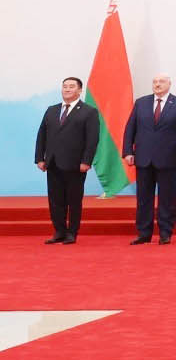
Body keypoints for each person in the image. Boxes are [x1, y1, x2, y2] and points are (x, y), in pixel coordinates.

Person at [123, 74, 176, 245]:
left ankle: (165, 232)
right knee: (143, 198)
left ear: (169, 84)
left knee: (167, 198)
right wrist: (127, 151)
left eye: (161, 82)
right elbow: (130, 128)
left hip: (168, 159)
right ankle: (144, 233)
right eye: (154, 82)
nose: (157, 84)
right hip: (143, 158)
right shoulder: (141, 103)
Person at [34, 77, 99, 244]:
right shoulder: (52, 110)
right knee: (55, 200)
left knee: (74, 200)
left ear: (79, 90)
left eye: (71, 86)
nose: (67, 89)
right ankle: (59, 231)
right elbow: (42, 135)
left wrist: (86, 161)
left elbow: (92, 139)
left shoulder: (89, 111)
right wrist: (40, 158)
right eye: (65, 86)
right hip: (53, 163)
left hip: (76, 165)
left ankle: (72, 233)